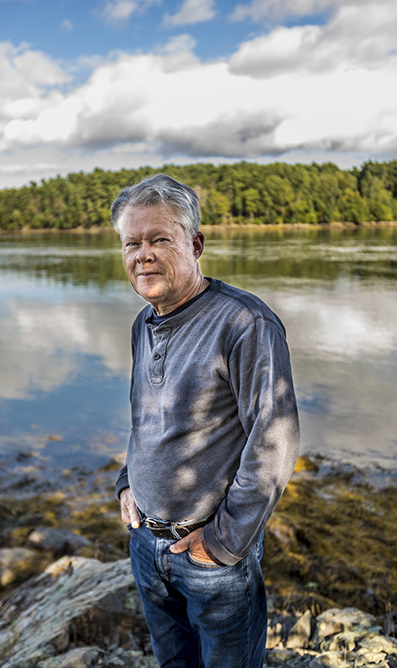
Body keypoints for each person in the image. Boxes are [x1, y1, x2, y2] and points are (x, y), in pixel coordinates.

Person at [111, 174, 299, 668]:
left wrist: (222, 544)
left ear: (195, 244)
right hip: (146, 546)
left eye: (159, 240)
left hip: (211, 558)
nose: (142, 255)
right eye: (132, 243)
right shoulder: (143, 322)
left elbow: (274, 440)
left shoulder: (243, 323)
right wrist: (128, 481)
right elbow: (144, 417)